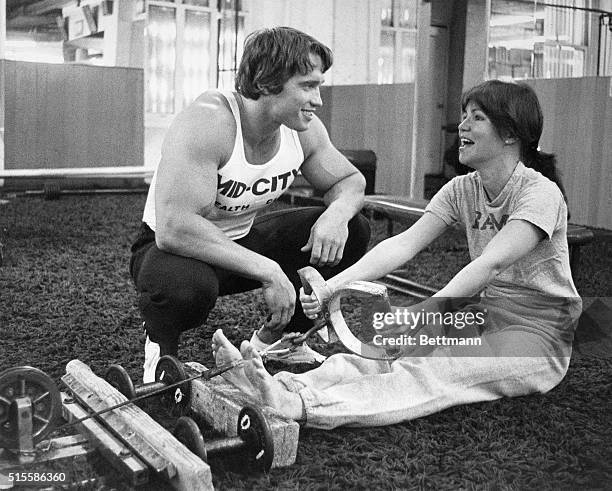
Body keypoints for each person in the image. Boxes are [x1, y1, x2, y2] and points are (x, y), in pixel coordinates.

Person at [211, 80, 582, 429]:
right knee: (385, 354)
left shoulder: (540, 194)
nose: (462, 127)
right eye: (464, 115)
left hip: (539, 336)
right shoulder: (462, 189)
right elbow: (401, 244)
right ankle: (281, 385)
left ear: (510, 134)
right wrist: (331, 288)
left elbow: (492, 262)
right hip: (486, 316)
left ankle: (304, 405)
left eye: (477, 118)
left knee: (436, 370)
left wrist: (429, 311)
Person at [130, 27, 370, 382]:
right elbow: (174, 227)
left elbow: (350, 182)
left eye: (318, 85)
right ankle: (160, 351)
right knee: (187, 289)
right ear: (267, 81)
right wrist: (270, 270)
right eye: (307, 86)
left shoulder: (304, 129)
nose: (317, 99)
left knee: (353, 229)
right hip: (173, 251)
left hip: (241, 240)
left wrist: (336, 214)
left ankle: (283, 339)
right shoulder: (210, 122)